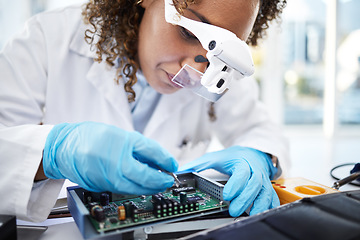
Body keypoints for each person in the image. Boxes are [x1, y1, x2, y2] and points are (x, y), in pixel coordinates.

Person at [0, 0, 289, 223]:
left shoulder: (216, 74)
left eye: (219, 55)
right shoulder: (47, 40)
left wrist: (260, 157)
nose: (198, 71)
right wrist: (52, 153)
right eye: (189, 32)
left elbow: (262, 130)